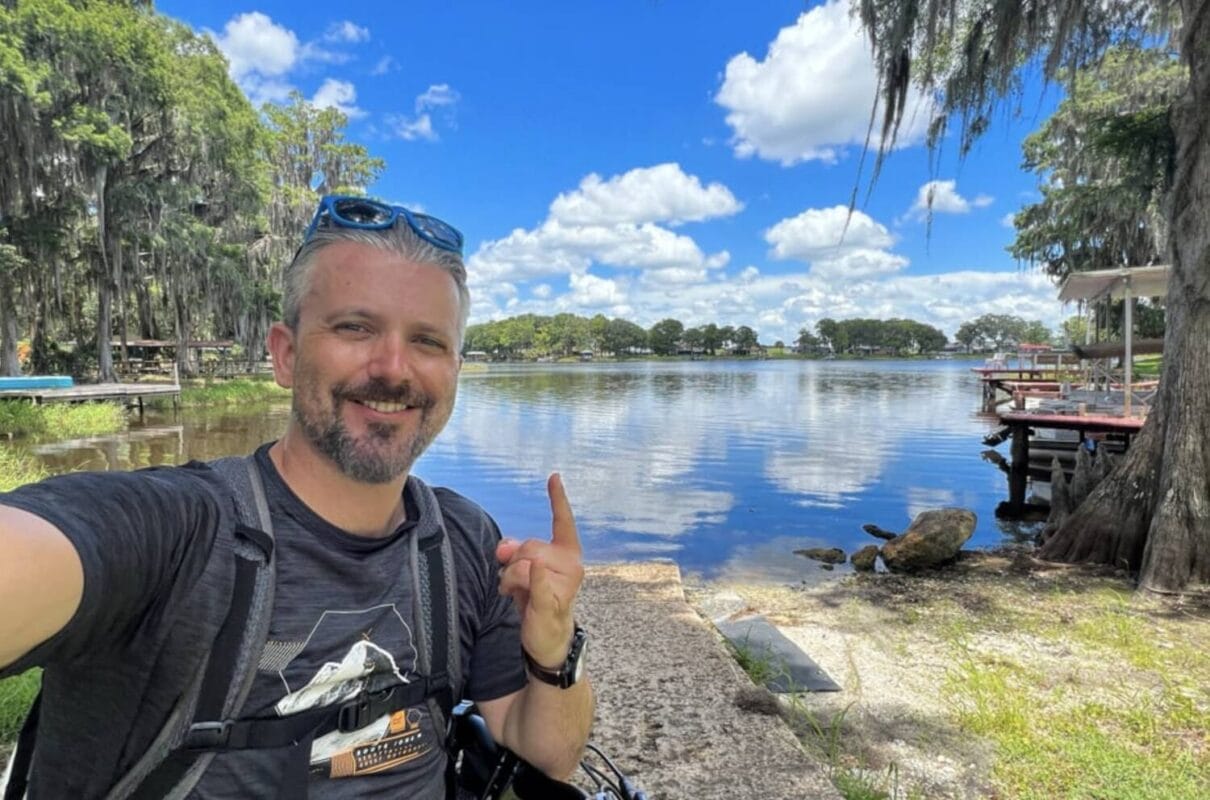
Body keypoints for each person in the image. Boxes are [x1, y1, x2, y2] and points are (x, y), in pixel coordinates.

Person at [0, 195, 594, 798]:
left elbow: (549, 752)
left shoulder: (465, 542)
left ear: (455, 370)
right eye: (355, 328)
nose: (394, 367)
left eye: (428, 341)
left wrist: (553, 647)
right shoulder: (182, 532)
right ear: (286, 354)